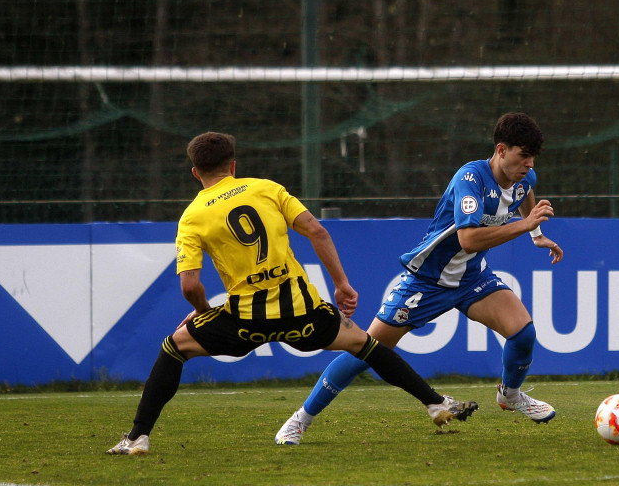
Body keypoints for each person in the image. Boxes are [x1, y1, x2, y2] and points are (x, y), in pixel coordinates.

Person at [107, 132, 478, 455]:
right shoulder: (265, 189)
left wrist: (204, 312)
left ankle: (138, 438)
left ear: (195, 172)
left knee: (174, 348)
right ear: (233, 166)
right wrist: (342, 283)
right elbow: (316, 231)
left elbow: (190, 285)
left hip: (244, 322)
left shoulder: (192, 216)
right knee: (367, 345)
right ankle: (433, 403)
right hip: (303, 313)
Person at [275, 112, 564, 445]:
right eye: (522, 155)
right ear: (501, 150)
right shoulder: (471, 179)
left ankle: (510, 394)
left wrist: (537, 234)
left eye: (532, 158)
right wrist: (524, 227)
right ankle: (301, 419)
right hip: (427, 280)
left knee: (523, 333)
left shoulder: (523, 177)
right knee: (364, 350)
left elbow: (525, 195)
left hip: (471, 277)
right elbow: (468, 239)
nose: (528, 164)